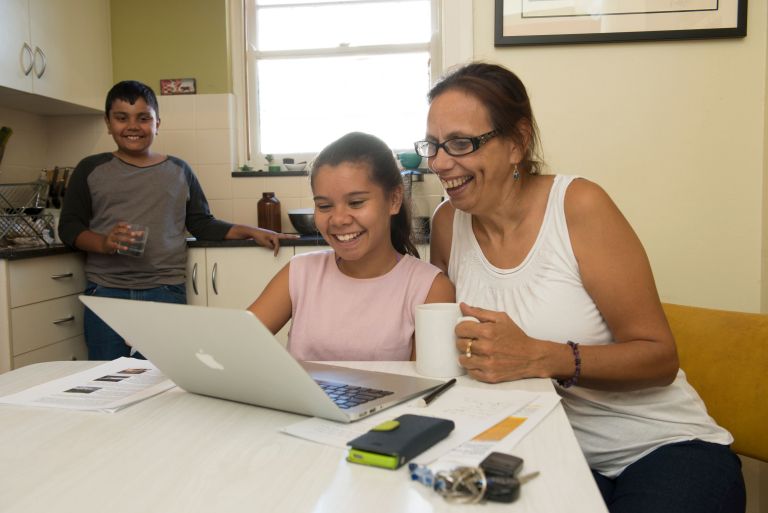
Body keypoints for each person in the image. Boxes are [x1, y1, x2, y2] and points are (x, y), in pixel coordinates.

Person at [419, 63, 745, 513]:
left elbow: (660, 357)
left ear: (517, 142)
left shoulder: (578, 206)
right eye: (433, 146)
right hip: (546, 453)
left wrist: (540, 356)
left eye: (460, 143)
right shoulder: (447, 225)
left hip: (661, 449)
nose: (439, 162)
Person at [59, 80, 297, 361]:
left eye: (143, 118)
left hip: (164, 291)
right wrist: (105, 242)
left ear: (157, 122)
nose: (133, 126)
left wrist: (251, 231)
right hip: (106, 292)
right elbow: (70, 227)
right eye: (121, 118)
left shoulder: (179, 170)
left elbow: (202, 223)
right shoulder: (91, 168)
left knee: (163, 378)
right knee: (105, 377)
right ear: (108, 123)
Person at [248, 131, 454, 360]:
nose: (338, 219)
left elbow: (426, 387)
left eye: (356, 203)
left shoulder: (429, 288)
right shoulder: (299, 274)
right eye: (324, 206)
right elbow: (230, 345)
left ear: (394, 200)